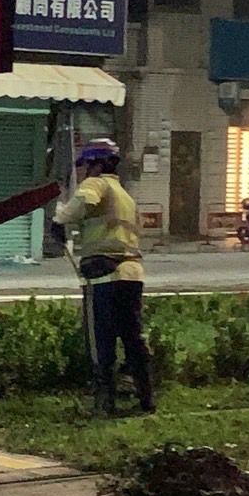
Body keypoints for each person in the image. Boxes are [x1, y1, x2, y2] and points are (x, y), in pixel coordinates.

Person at [51, 138, 154, 414]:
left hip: (104, 276)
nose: (84, 172)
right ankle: (146, 397)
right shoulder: (125, 195)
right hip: (132, 274)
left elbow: (84, 200)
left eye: (86, 165)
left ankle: (104, 402)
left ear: (98, 164)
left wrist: (59, 220)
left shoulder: (97, 184)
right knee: (132, 337)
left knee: (101, 340)